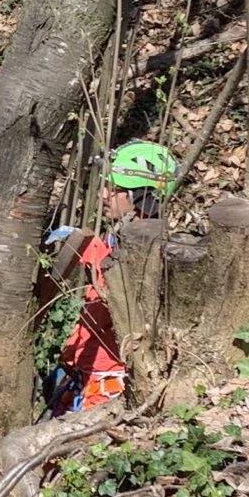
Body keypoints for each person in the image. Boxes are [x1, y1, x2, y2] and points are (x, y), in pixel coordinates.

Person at [45, 140, 179, 414]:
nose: (105, 193)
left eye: (115, 189)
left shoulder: (148, 249)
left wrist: (89, 250)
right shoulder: (118, 237)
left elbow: (117, 298)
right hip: (87, 369)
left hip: (110, 376)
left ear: (142, 196)